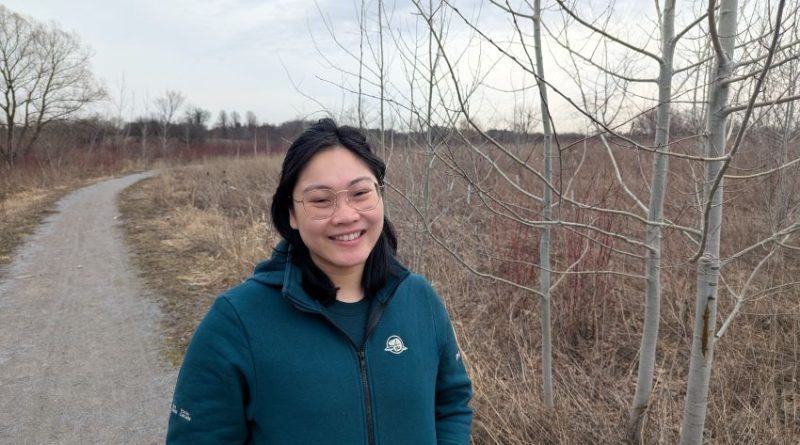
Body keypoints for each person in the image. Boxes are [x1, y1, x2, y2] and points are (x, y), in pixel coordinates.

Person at [166, 118, 473, 444]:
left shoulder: (420, 300)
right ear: (291, 215)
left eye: (360, 193)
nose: (345, 215)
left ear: (380, 196)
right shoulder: (237, 322)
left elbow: (451, 402)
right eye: (321, 199)